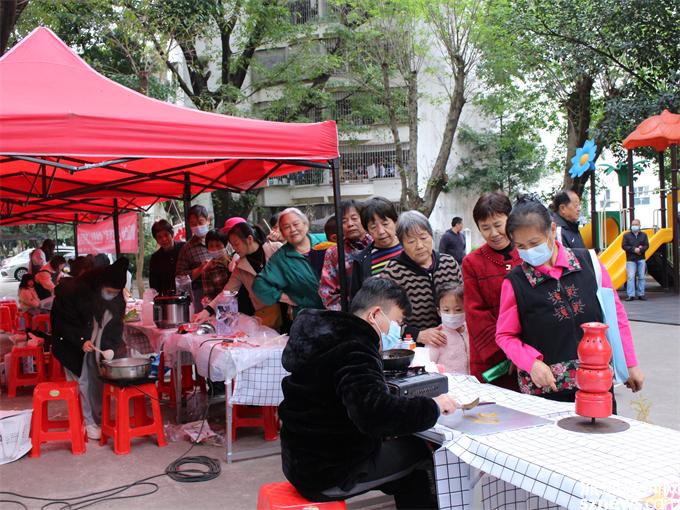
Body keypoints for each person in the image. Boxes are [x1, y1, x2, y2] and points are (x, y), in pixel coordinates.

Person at [279, 277, 459, 508]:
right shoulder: (356, 347)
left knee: (403, 456)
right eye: (397, 322)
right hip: (330, 472)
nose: (397, 330)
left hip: (301, 461)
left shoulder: (325, 335)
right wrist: (433, 406)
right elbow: (376, 415)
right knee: (423, 455)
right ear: (375, 314)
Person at [496, 196, 644, 401]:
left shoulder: (590, 263)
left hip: (597, 386)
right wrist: (531, 363)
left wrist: (629, 363)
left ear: (552, 230)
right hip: (545, 392)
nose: (529, 251)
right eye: (521, 246)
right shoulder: (515, 282)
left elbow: (615, 316)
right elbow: (505, 336)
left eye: (535, 243)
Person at [51, 258, 129, 439]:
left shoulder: (116, 299)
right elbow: (63, 323)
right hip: (70, 343)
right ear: (100, 285)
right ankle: (86, 423)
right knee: (82, 382)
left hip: (94, 344)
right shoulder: (73, 292)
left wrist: (110, 347)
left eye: (116, 293)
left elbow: (115, 326)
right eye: (109, 291)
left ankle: (97, 419)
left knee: (97, 381)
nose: (112, 295)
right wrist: (81, 340)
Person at [462, 192, 522, 390]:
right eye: (485, 228)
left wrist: (523, 353)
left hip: (531, 354)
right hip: (493, 360)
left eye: (498, 225)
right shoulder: (472, 263)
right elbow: (475, 313)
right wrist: (508, 351)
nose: (494, 233)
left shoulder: (527, 253)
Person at [381, 211, 462, 346]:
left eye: (424, 238)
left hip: (455, 342)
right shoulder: (393, 272)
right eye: (411, 241)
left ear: (431, 236)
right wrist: (417, 335)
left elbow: (466, 300)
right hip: (415, 347)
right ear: (402, 244)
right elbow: (384, 319)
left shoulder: (449, 263)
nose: (419, 245)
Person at [193, 222, 283, 329]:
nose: (235, 249)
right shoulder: (240, 266)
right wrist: (207, 310)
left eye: (237, 244)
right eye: (232, 245)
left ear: (249, 239)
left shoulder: (275, 249)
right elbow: (227, 292)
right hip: (268, 314)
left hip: (288, 307)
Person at [253, 207, 325, 318]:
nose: (292, 229)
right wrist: (287, 299)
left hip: (342, 311)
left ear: (305, 224)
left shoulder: (326, 240)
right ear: (282, 232)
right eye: (286, 227)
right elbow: (260, 285)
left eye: (296, 224)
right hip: (310, 317)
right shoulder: (280, 258)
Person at [319, 200, 372, 310]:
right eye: (343, 221)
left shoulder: (378, 244)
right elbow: (327, 291)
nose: (350, 224)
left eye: (354, 218)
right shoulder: (333, 253)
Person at [350, 197, 402, 298]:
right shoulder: (362, 260)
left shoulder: (409, 249)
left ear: (395, 222)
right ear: (367, 230)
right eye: (373, 227)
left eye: (385, 224)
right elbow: (357, 298)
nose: (381, 231)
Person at [176, 205, 213, 310]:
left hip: (223, 292)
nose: (197, 226)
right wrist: (200, 269)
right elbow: (180, 277)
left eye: (200, 222)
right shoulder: (187, 248)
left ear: (208, 220)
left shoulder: (219, 240)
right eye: (193, 224)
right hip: (200, 296)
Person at [428, 283, 469, 374]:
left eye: (458, 310)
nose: (452, 314)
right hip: (446, 381)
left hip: (471, 380)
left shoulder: (470, 331)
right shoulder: (436, 336)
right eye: (446, 310)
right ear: (439, 311)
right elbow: (428, 365)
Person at [149, 219, 185, 294]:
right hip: (167, 298)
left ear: (172, 234)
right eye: (159, 237)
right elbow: (154, 286)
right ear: (156, 240)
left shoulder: (184, 248)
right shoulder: (155, 258)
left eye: (166, 235)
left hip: (187, 294)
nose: (164, 239)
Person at [201, 229, 232, 302]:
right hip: (223, 304)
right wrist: (207, 300)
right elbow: (209, 295)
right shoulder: (207, 270)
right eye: (211, 246)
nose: (214, 249)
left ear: (225, 245)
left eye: (218, 245)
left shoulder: (234, 260)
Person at [622, 219, 649, 302]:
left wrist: (640, 250)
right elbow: (624, 246)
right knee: (630, 277)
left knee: (641, 277)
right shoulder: (626, 235)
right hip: (631, 259)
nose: (634, 226)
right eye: (633, 224)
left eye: (636, 224)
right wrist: (634, 249)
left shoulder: (644, 235)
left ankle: (641, 294)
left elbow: (647, 245)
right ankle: (631, 295)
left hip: (641, 258)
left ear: (639, 225)